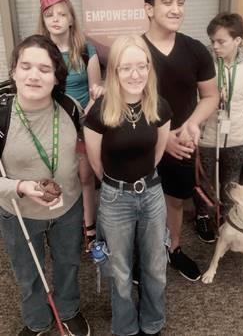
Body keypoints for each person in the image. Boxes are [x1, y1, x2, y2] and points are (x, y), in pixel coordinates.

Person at [0, 34, 90, 336]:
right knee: (27, 273)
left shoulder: (70, 107)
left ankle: (67, 309)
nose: (34, 75)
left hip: (68, 208)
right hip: (18, 213)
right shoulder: (1, 114)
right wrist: (21, 187)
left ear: (56, 76)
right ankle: (37, 320)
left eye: (44, 68)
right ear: (14, 71)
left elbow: (83, 151)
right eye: (25, 66)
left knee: (69, 264)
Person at [84, 34, 171, 336]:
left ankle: (152, 322)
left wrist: (143, 182)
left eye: (141, 66)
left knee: (155, 266)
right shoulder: (99, 112)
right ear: (115, 72)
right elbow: (96, 164)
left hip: (151, 194)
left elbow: (158, 153)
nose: (135, 75)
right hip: (114, 197)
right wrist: (117, 186)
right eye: (125, 68)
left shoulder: (159, 105)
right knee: (119, 271)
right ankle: (125, 328)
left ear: (149, 68)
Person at [142, 0, 219, 281]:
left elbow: (211, 96)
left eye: (181, 2)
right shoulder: (134, 50)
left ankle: (173, 248)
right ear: (149, 8)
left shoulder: (196, 50)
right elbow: (124, 106)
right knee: (142, 203)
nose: (176, 9)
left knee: (175, 199)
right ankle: (146, 253)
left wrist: (190, 126)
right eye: (167, 2)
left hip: (183, 142)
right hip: (143, 144)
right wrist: (163, 138)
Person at [38, 0, 102, 250]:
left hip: (82, 123)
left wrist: (86, 111)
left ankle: (89, 227)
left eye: (62, 14)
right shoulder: (39, 51)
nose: (56, 19)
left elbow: (95, 90)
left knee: (85, 177)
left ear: (71, 19)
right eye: (49, 15)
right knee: (58, 177)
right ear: (43, 20)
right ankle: (62, 228)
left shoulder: (86, 49)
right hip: (50, 124)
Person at [194, 12, 243, 229]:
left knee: (231, 181)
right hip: (208, 135)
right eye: (212, 40)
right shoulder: (204, 62)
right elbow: (193, 98)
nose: (215, 46)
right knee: (204, 181)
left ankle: (226, 217)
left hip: (238, 135)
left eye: (221, 41)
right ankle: (204, 217)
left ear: (237, 41)